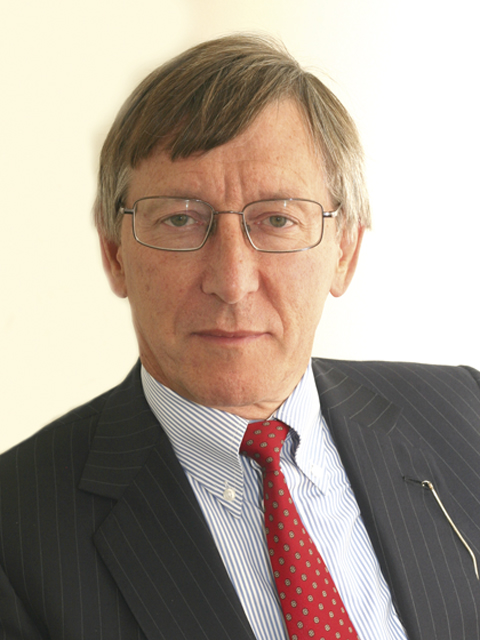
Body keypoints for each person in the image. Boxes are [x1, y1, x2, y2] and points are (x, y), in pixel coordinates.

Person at [0, 34, 479, 640]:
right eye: (180, 219)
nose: (231, 281)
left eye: (277, 219)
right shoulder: (16, 535)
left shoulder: (464, 415)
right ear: (115, 253)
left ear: (345, 252)